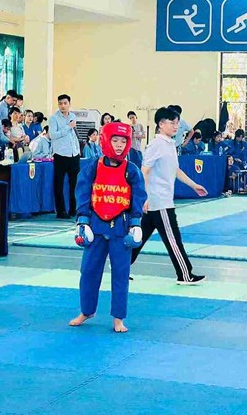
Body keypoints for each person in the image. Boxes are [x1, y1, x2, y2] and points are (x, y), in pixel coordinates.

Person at [69, 123, 147, 334]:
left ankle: (118, 318)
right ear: (106, 140)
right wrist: (82, 221)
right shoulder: (93, 167)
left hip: (121, 229)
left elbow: (138, 197)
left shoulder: (132, 170)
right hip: (95, 226)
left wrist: (136, 223)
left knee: (121, 274)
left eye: (123, 141)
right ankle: (87, 311)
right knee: (88, 271)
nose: (119, 146)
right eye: (115, 140)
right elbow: (82, 194)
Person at [131, 106, 207, 285]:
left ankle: (121, 265)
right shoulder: (156, 145)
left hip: (159, 201)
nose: (176, 126)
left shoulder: (170, 144)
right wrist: (145, 197)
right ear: (161, 124)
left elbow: (175, 170)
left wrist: (194, 185)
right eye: (172, 123)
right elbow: (145, 171)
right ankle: (185, 274)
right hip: (159, 201)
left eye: (177, 123)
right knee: (173, 239)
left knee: (140, 237)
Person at [49, 94, 81, 219]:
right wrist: (68, 127)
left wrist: (77, 150)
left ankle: (73, 209)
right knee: (59, 184)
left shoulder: (72, 116)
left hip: (73, 154)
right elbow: (52, 135)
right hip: (61, 154)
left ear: (69, 104)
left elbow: (72, 135)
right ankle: (61, 211)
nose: (63, 106)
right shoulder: (54, 118)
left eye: (65, 103)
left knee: (75, 183)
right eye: (60, 103)